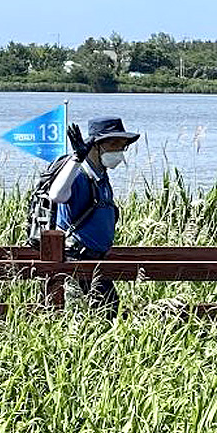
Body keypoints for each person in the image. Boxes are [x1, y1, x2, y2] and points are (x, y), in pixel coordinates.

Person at [47, 116, 140, 316]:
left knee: (108, 312)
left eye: (122, 146)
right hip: (77, 260)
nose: (119, 151)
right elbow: (56, 195)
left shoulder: (102, 177)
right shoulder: (79, 174)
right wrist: (76, 158)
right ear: (95, 146)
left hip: (96, 262)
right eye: (114, 144)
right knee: (86, 316)